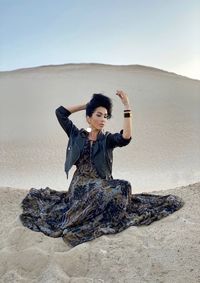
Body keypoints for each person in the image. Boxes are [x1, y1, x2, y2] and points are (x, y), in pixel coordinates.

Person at [20, 90, 184, 247]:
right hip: (80, 185)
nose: (103, 119)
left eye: (105, 116)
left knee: (124, 186)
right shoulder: (76, 134)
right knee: (110, 191)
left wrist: (127, 106)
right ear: (88, 118)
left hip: (101, 184)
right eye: (98, 115)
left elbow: (126, 137)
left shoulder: (107, 140)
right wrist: (88, 105)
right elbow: (60, 113)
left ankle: (101, 212)